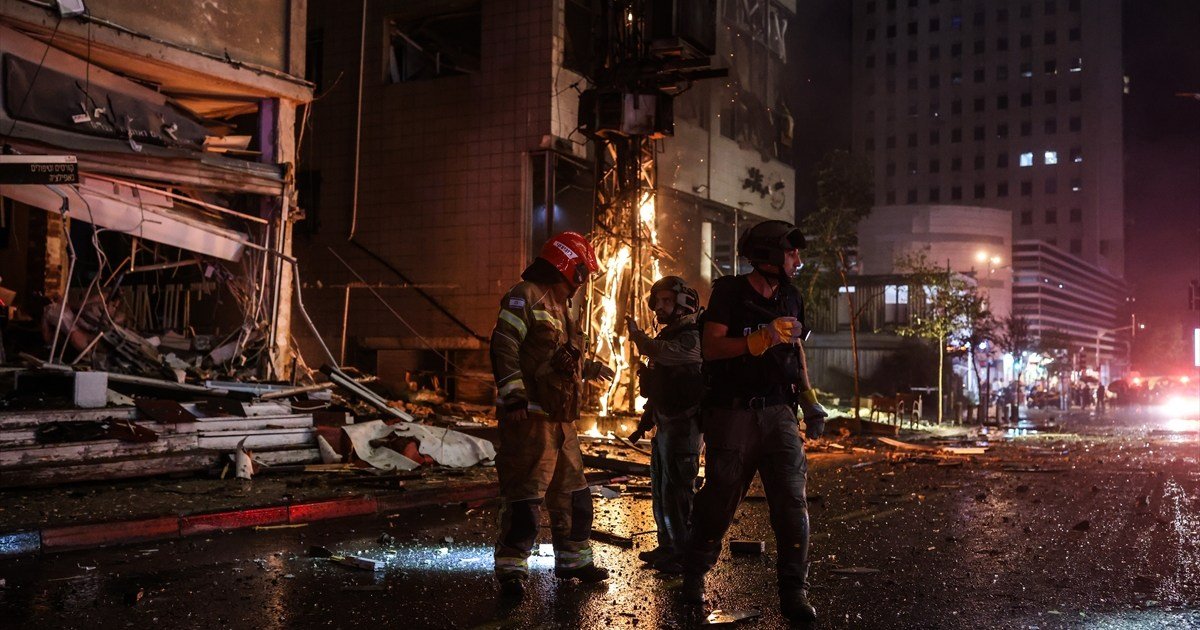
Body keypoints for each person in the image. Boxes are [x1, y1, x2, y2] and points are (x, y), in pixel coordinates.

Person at [680, 219, 828, 623]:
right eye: (791, 252)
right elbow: (710, 348)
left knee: (791, 504)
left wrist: (811, 401)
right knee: (720, 498)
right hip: (732, 413)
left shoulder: (792, 297)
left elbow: (797, 354)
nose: (798, 259)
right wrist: (756, 340)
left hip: (781, 412)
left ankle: (794, 592)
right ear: (767, 255)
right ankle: (694, 574)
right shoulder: (729, 292)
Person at [489, 231, 614, 600]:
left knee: (574, 495)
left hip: (562, 423)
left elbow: (557, 357)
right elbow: (504, 346)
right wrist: (513, 397)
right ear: (568, 268)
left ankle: (573, 561)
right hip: (530, 422)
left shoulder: (565, 306)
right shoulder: (525, 295)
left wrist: (587, 369)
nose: (584, 281)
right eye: (582, 272)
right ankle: (512, 570)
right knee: (525, 499)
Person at [625, 275, 704, 573]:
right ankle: (668, 546)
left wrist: (637, 336)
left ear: (684, 303)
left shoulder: (692, 338)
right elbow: (660, 386)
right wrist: (646, 421)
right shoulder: (667, 335)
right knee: (661, 489)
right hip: (664, 425)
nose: (659, 307)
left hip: (684, 428)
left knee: (679, 492)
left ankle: (684, 553)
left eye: (666, 301)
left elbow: (660, 354)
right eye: (657, 301)